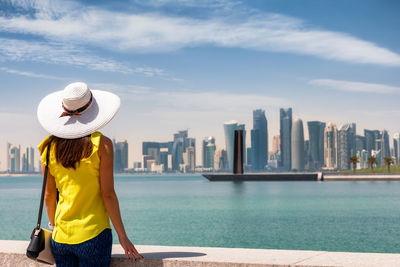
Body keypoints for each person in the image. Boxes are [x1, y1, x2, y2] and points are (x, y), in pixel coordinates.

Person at [37, 82, 143, 266]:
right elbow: (108, 194)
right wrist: (123, 237)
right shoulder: (102, 145)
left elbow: (49, 195)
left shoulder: (48, 148)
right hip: (94, 235)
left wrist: (54, 227)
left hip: (61, 238)